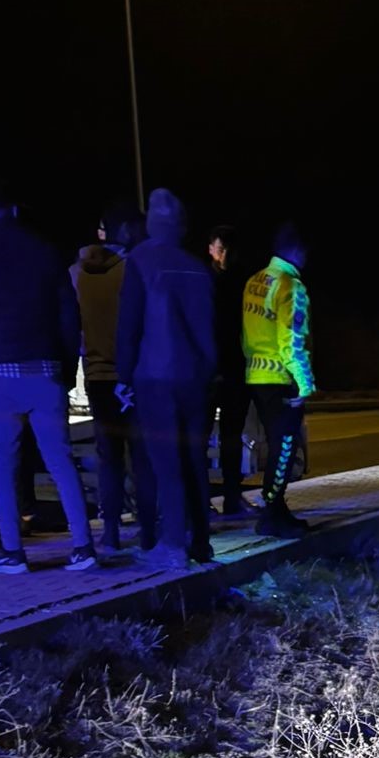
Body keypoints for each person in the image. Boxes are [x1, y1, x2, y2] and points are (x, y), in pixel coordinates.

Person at [0, 179, 96, 575]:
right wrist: (63, 365)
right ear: (15, 207)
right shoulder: (44, 252)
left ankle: (12, 551)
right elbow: (68, 313)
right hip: (44, 369)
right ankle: (83, 545)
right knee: (60, 459)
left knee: (1, 462)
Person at [116, 187, 218, 566]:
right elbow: (209, 329)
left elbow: (130, 324)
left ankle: (173, 544)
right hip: (194, 377)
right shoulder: (196, 267)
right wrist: (207, 371)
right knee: (194, 460)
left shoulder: (140, 261)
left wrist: (124, 375)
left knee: (165, 461)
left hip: (154, 376)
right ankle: (201, 543)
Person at [72, 200, 155, 554]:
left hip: (96, 375)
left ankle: (110, 531)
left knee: (109, 456)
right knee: (141, 455)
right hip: (131, 374)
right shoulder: (132, 270)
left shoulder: (76, 273)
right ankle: (149, 530)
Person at [241, 220, 316, 535]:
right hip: (282, 380)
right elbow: (291, 341)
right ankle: (271, 515)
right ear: (296, 250)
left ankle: (279, 509)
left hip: (256, 377)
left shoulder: (254, 282)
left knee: (275, 447)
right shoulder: (291, 286)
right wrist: (304, 382)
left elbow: (246, 336)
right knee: (284, 449)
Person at [206, 221, 249, 515]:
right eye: (221, 249)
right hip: (210, 371)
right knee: (200, 438)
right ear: (211, 249)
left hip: (234, 369)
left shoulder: (240, 283)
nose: (224, 256)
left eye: (228, 251)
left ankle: (232, 497)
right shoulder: (203, 281)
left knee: (232, 438)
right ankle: (202, 501)